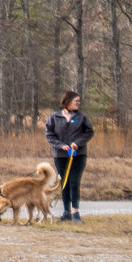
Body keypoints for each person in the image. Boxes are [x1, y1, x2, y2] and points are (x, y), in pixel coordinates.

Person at [45, 90, 94, 222]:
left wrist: (77, 143)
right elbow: (49, 135)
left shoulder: (82, 117)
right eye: (76, 101)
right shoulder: (54, 117)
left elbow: (89, 132)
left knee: (74, 182)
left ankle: (75, 213)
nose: (78, 103)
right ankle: (66, 213)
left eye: (79, 101)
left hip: (78, 155)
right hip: (60, 156)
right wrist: (60, 145)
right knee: (64, 183)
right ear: (67, 101)